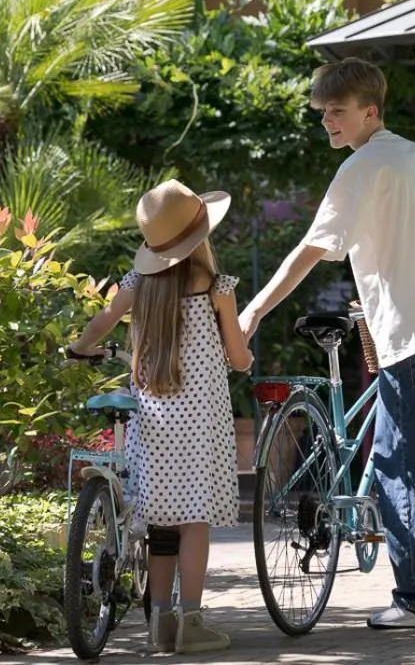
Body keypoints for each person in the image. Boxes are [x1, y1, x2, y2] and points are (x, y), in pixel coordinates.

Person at [238, 57, 415, 630]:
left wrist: (255, 308)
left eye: (337, 112)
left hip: (405, 334)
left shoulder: (362, 167)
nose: (327, 122)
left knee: (409, 468)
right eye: (322, 112)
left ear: (369, 111)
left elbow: (310, 248)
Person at [69, 179, 254, 653]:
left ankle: (160, 625)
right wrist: (246, 357)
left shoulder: (138, 286)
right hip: (201, 422)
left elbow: (103, 322)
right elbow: (237, 357)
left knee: (159, 521)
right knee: (195, 520)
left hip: (152, 421)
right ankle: (190, 621)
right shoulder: (217, 288)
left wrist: (82, 347)